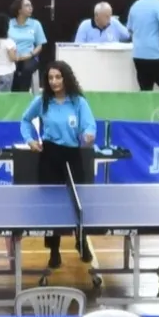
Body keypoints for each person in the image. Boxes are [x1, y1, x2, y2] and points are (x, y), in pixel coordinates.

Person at [20, 60, 97, 268]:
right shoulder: (42, 101)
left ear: (66, 78)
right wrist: (29, 140)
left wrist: (89, 134)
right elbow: (25, 120)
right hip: (50, 155)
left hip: (73, 155)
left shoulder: (78, 102)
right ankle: (54, 251)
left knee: (78, 201)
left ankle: (81, 241)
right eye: (50, 78)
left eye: (58, 77)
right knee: (51, 206)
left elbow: (89, 124)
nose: (54, 81)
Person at [7, 0, 47, 92]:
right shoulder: (9, 24)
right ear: (19, 10)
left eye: (31, 5)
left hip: (30, 56)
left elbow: (40, 45)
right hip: (12, 56)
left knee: (26, 69)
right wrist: (14, 56)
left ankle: (22, 94)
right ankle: (12, 94)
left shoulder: (35, 24)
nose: (31, 8)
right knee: (12, 69)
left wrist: (30, 54)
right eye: (27, 6)